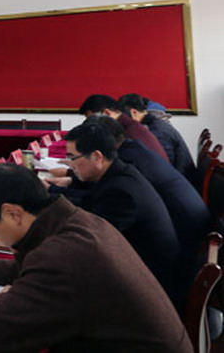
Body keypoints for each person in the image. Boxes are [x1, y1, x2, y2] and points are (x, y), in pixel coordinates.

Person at [0, 164, 191, 353]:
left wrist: (11, 295)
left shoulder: (62, 256)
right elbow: (33, 268)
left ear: (13, 213)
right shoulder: (77, 221)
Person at [62, 119, 181, 304]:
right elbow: (88, 207)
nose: (70, 164)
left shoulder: (121, 192)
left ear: (97, 156)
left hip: (148, 291)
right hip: (141, 272)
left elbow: (90, 241)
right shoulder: (118, 174)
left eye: (72, 157)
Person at [118, 93, 198, 182]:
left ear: (134, 112)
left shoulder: (157, 132)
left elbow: (162, 166)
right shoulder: (157, 124)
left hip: (181, 182)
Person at [78, 94, 167, 162]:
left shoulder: (127, 132)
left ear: (107, 113)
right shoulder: (129, 125)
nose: (92, 124)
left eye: (92, 119)